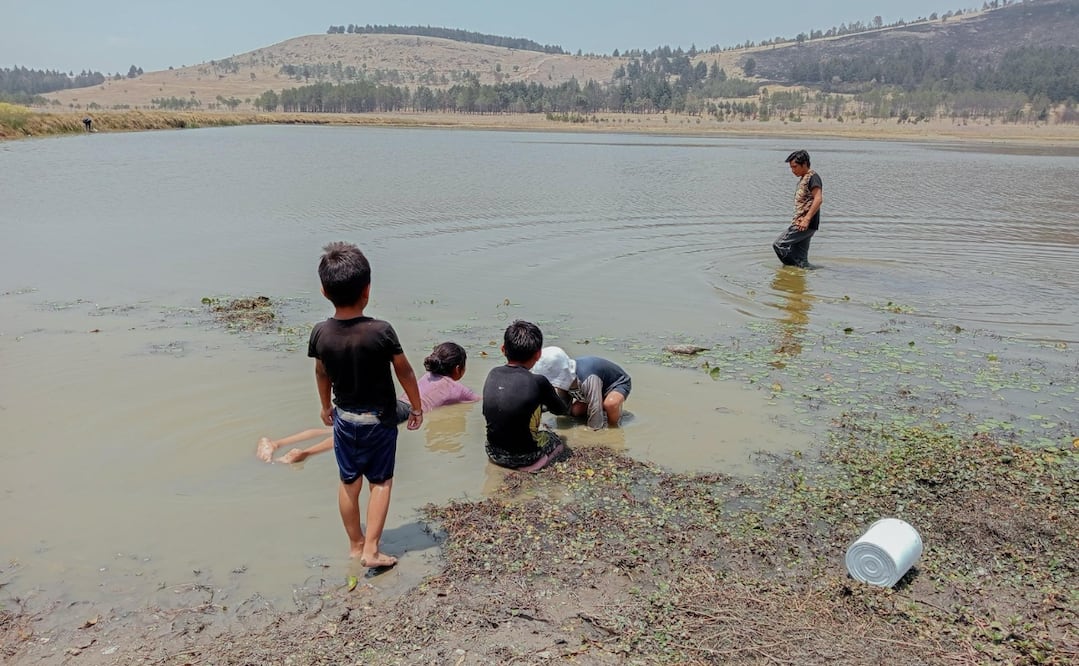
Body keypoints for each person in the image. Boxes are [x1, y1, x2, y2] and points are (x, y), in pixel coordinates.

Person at [307, 241, 423, 568]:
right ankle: (372, 549)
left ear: (324, 291)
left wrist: (324, 407)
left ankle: (355, 545)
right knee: (381, 482)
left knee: (348, 482)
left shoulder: (320, 333)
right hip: (380, 421)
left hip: (344, 419)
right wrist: (416, 407)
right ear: (367, 290)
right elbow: (405, 371)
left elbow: (321, 372)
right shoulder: (381, 331)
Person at [257, 341, 479, 463]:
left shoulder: (428, 376)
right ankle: (303, 454)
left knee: (339, 427)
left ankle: (276, 443)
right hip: (401, 412)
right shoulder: (457, 388)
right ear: (459, 369)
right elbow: (478, 402)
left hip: (394, 403)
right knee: (345, 435)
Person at [482, 320, 570, 472]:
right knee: (556, 440)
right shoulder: (538, 381)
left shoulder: (492, 373)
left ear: (503, 349)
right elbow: (560, 410)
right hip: (525, 457)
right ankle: (537, 463)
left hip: (492, 451)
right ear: (538, 354)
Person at [532, 347, 631, 429]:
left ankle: (614, 425)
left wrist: (594, 431)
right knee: (576, 411)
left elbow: (595, 407)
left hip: (616, 384)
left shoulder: (588, 378)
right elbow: (563, 406)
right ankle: (603, 406)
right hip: (593, 390)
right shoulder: (564, 380)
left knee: (610, 404)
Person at [772, 149, 823, 269]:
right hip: (807, 224)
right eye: (791, 167)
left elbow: (818, 199)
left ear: (804, 164)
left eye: (795, 167)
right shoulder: (805, 178)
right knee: (802, 260)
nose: (793, 171)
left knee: (779, 245)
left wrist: (806, 219)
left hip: (804, 223)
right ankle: (802, 275)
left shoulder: (813, 177)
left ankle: (793, 271)